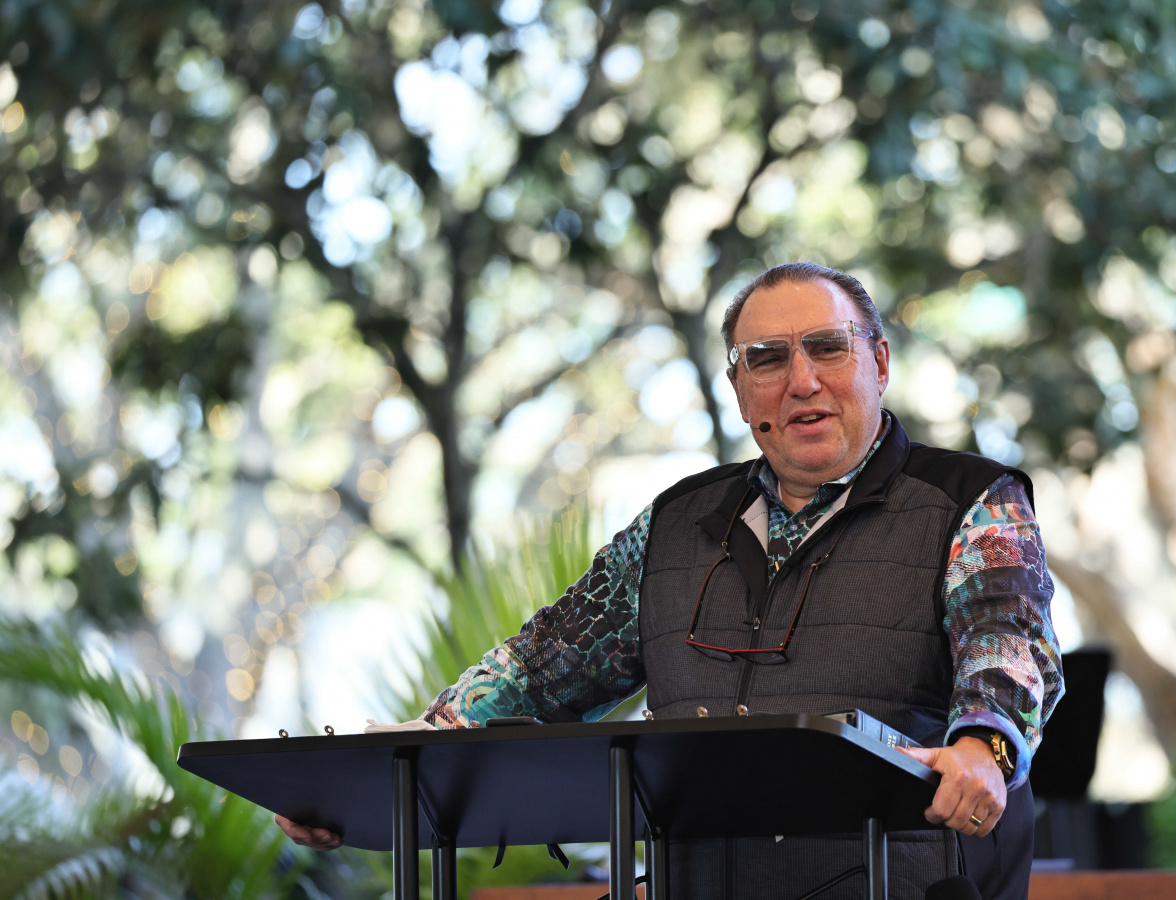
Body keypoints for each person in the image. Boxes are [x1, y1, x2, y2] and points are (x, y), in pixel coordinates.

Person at [277, 262, 1063, 900]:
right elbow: (537, 668)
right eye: (767, 359)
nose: (800, 381)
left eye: (827, 348)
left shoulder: (972, 500)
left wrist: (984, 744)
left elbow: (1007, 639)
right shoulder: (676, 523)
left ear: (879, 362)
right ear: (738, 387)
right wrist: (381, 775)